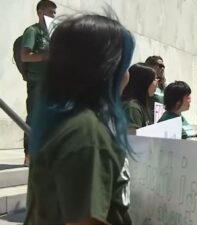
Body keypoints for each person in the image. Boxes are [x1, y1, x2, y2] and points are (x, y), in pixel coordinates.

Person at [24, 14, 135, 225]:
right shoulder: (86, 133)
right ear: (106, 69)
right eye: (124, 64)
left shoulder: (65, 124)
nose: (127, 74)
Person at [21, 0, 57, 166]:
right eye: (50, 12)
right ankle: (29, 155)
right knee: (34, 118)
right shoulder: (32, 31)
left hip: (52, 83)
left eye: (54, 13)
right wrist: (45, 56)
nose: (53, 15)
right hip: (37, 83)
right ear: (40, 12)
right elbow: (25, 56)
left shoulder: (52, 34)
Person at [122, 63, 158, 134]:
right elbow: (132, 139)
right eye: (154, 79)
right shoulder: (133, 108)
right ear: (144, 82)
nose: (156, 83)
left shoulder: (141, 105)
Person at [145, 55, 165, 122]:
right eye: (160, 66)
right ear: (150, 66)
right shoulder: (145, 84)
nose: (162, 69)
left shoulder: (163, 86)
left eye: (163, 67)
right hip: (149, 123)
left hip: (162, 122)